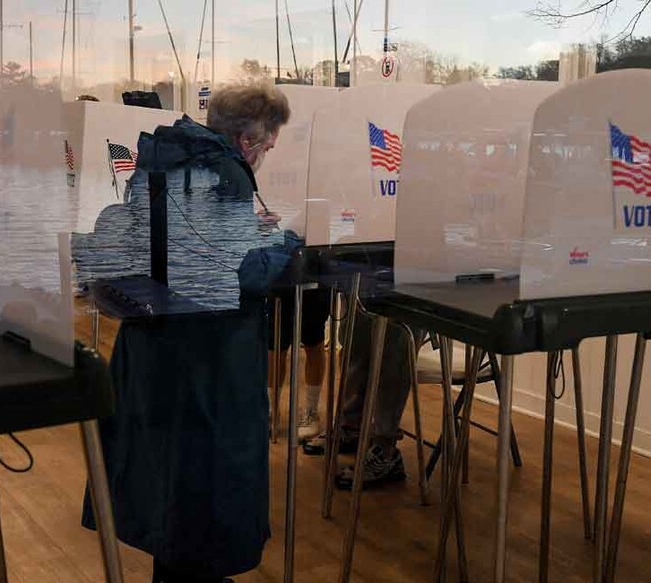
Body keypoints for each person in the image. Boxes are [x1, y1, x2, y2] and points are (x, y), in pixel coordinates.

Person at [78, 83, 293, 583]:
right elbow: (243, 274)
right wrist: (286, 242)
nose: (267, 153)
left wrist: (246, 231)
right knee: (205, 500)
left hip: (156, 347)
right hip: (207, 359)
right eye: (268, 144)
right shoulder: (223, 174)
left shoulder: (165, 157)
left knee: (170, 495)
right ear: (249, 140)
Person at [303, 311, 423, 490]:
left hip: (415, 290)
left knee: (395, 341)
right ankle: (351, 427)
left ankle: (385, 450)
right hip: (369, 287)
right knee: (355, 333)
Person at [268, 287, 331, 440]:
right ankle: (271, 410)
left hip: (315, 277)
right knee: (275, 345)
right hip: (279, 274)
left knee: (314, 342)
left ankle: (311, 411)